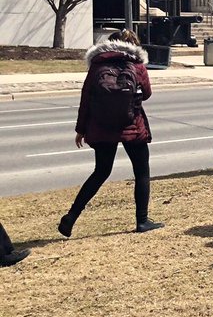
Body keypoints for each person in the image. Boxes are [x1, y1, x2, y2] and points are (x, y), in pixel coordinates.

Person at [59, 30, 162, 237]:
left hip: (102, 125)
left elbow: (85, 99)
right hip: (131, 124)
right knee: (141, 171)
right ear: (134, 45)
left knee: (101, 172)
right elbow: (147, 93)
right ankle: (142, 220)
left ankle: (71, 217)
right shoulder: (137, 64)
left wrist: (81, 129)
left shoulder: (97, 65)